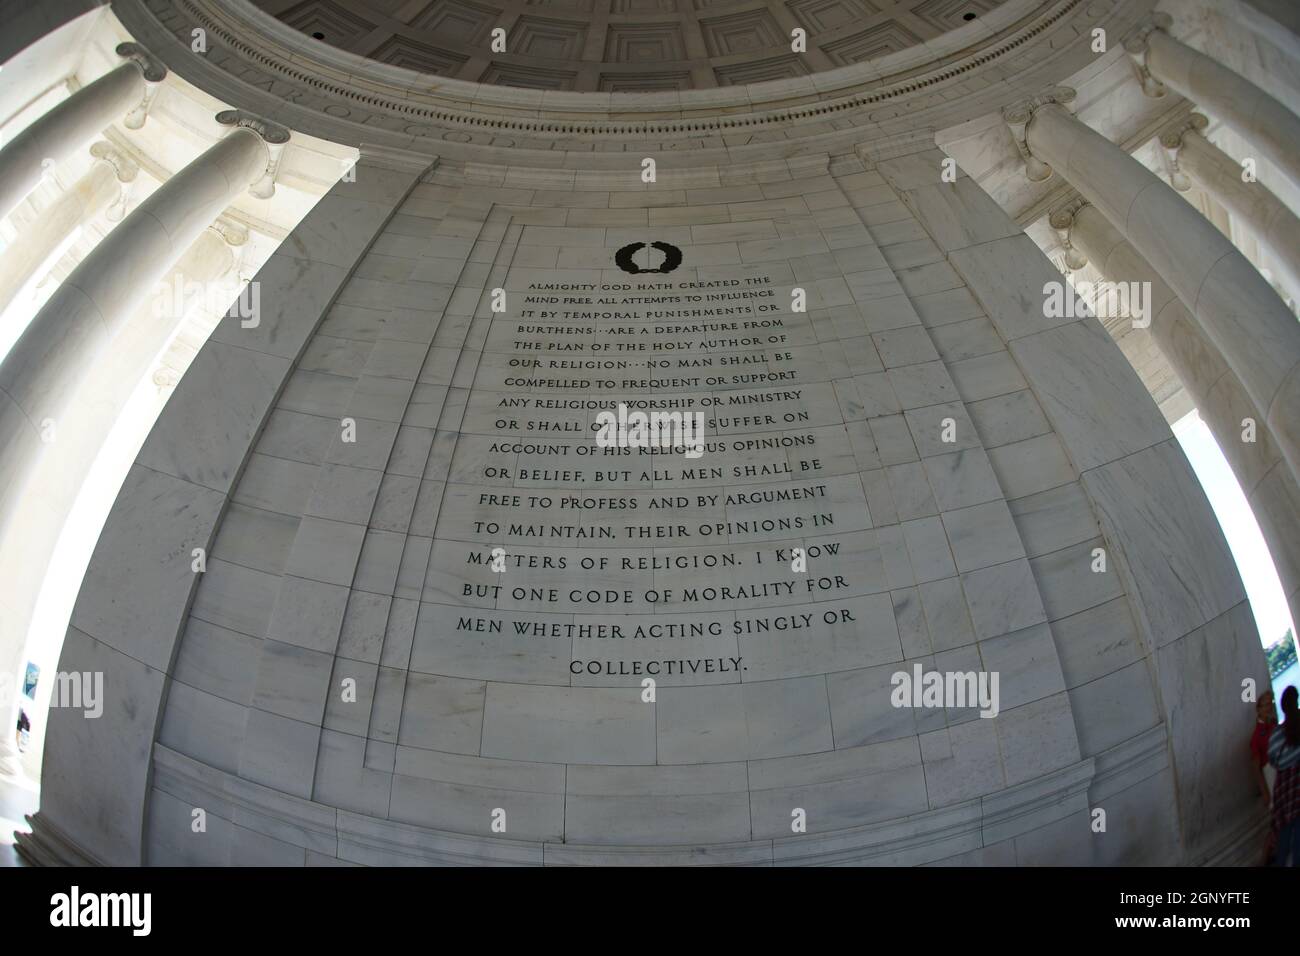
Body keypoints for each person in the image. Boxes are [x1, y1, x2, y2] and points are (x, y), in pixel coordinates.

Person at [1268, 685, 1300, 866]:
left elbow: (1272, 759)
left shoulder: (1276, 734)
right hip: (1297, 784)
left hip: (1284, 789)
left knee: (1284, 840)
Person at [1252, 690, 1277, 863]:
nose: (1270, 707)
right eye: (1266, 704)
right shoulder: (1257, 736)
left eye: (1271, 703)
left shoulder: (1273, 725)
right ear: (1259, 709)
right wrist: (1265, 792)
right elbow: (1256, 767)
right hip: (1271, 774)